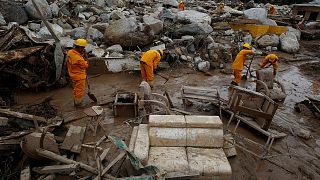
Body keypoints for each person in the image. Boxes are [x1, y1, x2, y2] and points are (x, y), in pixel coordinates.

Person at [67, 39, 89, 107]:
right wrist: (86, 58)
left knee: (76, 89)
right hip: (80, 76)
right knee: (80, 90)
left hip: (73, 74)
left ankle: (75, 100)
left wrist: (81, 55)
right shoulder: (78, 59)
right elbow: (86, 65)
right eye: (83, 48)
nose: (83, 49)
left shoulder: (70, 52)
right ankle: (78, 103)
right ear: (79, 47)